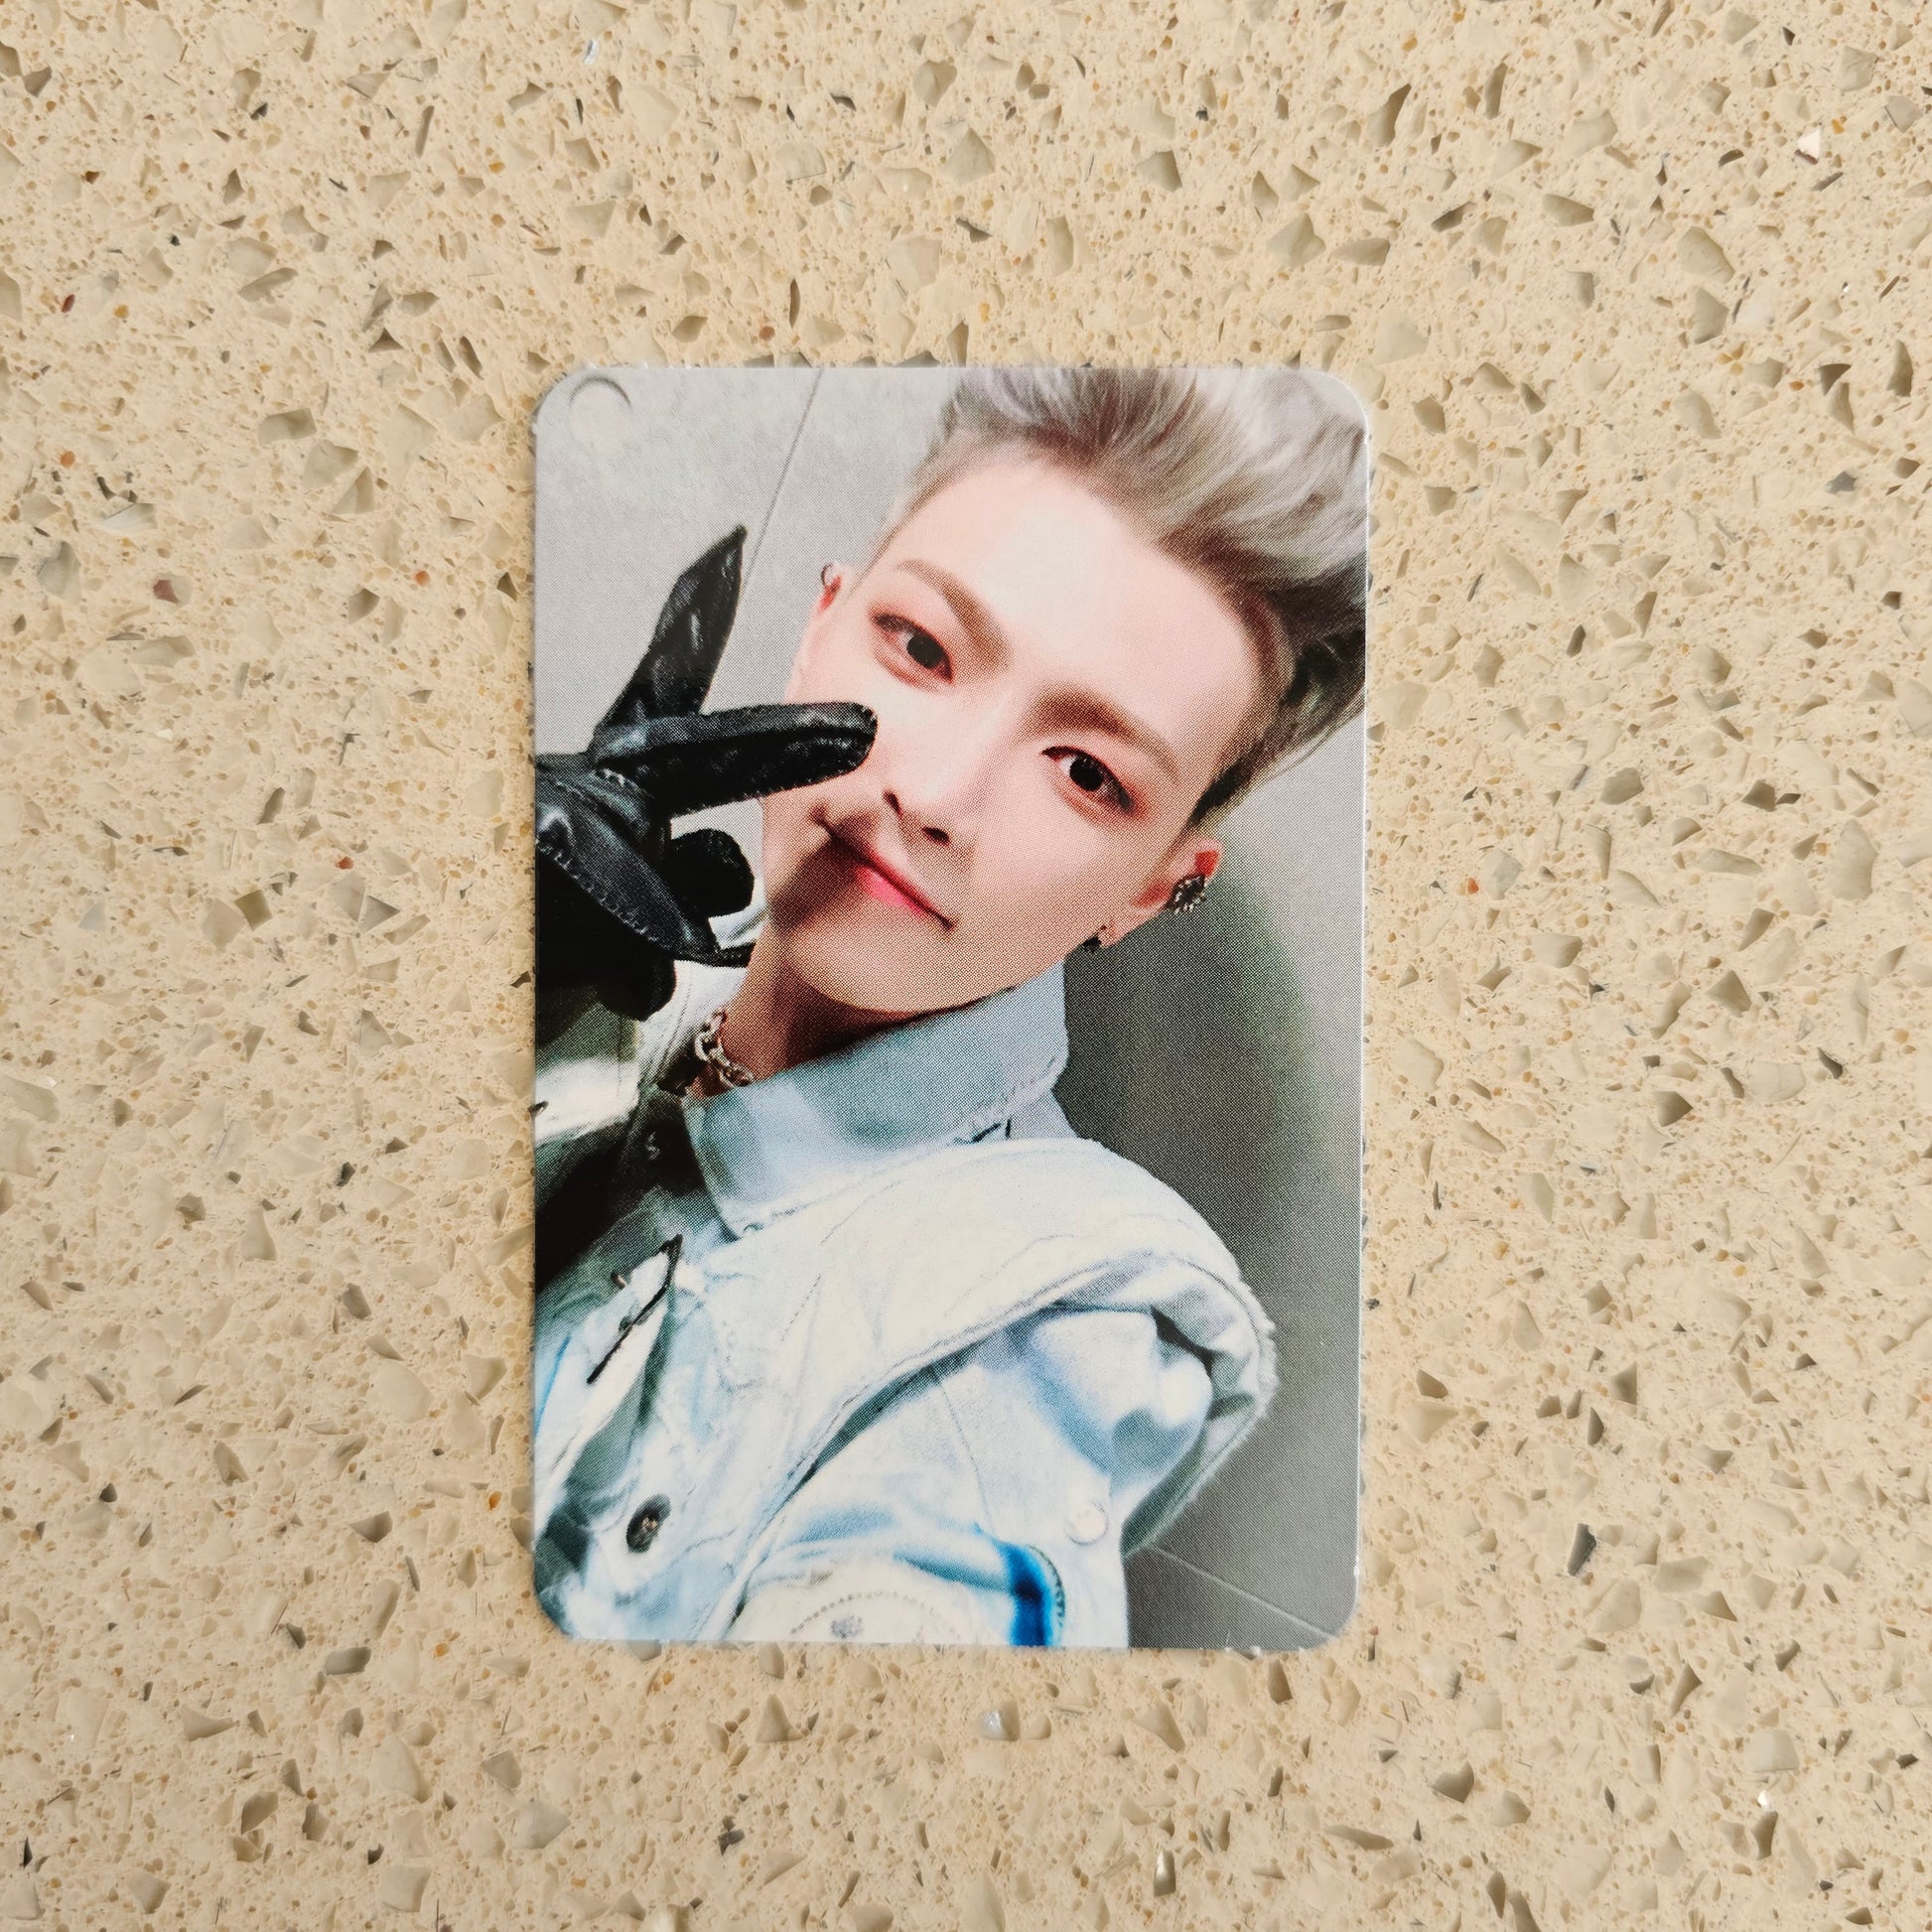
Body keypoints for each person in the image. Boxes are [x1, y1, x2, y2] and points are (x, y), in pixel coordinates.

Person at [530, 366, 1368, 1646]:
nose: (934, 796)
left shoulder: (1024, 1341)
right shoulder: (595, 1000)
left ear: (1149, 891)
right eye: (920, 650)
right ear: (819, 628)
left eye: (1086, 772)